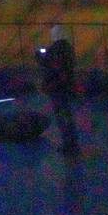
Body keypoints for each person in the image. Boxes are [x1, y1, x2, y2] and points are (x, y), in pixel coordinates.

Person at [37, 25, 79, 155]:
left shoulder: (54, 50)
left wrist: (39, 55)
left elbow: (48, 65)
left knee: (62, 116)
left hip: (56, 87)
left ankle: (69, 145)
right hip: (66, 86)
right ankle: (72, 143)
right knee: (66, 115)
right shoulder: (68, 49)